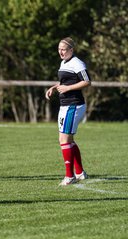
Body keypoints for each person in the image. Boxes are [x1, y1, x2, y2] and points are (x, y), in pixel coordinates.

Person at [45, 37, 91, 186]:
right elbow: (65, 82)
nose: (61, 52)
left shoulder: (77, 63)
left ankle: (69, 176)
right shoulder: (64, 62)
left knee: (63, 140)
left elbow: (87, 81)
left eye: (64, 49)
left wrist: (68, 88)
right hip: (65, 105)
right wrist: (54, 87)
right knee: (68, 140)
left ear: (72, 50)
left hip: (74, 105)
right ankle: (80, 173)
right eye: (59, 49)